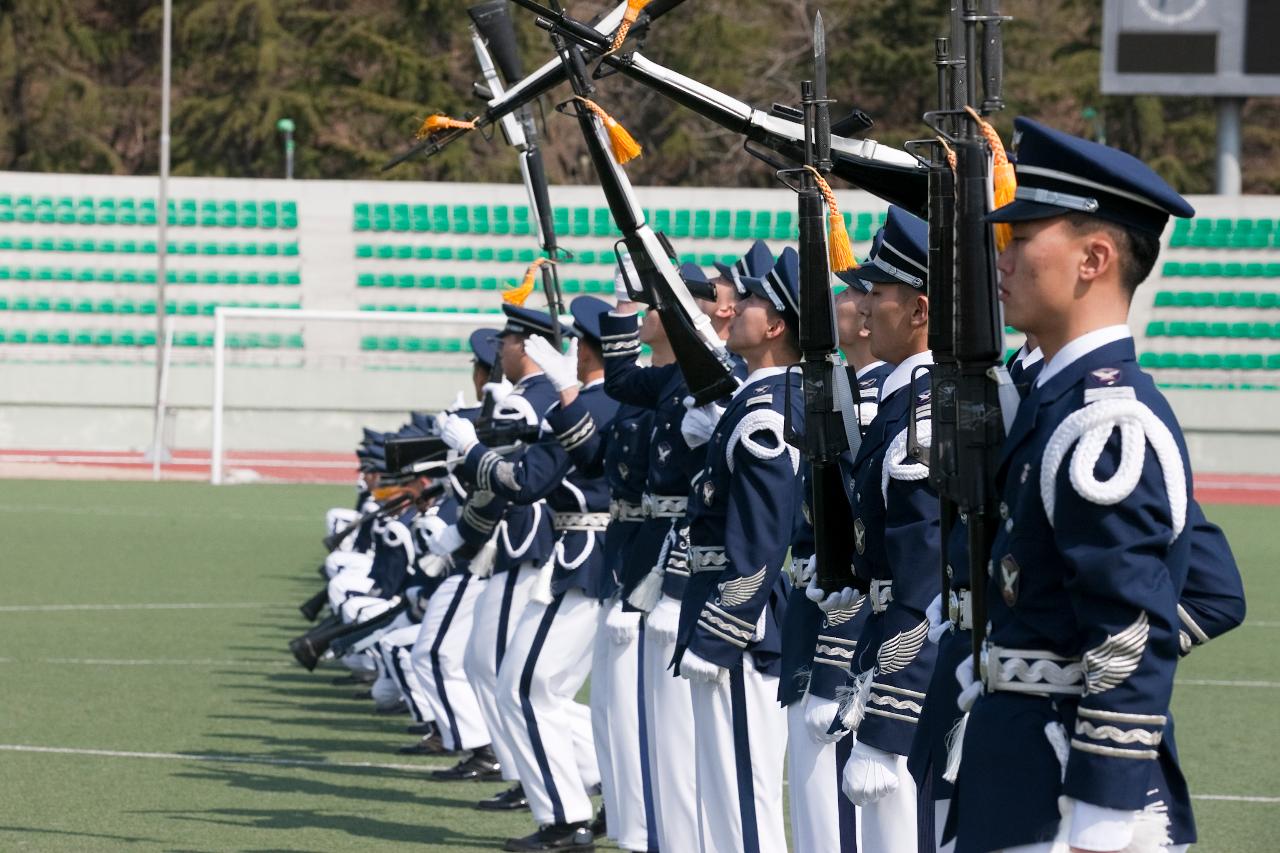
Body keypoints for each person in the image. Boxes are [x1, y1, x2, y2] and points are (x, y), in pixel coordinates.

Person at [949, 117, 1225, 853]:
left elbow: (1131, 623)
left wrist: (1102, 810)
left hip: (1065, 798)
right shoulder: (1052, 400)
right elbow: (1195, 589)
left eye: (1023, 234)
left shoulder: (1105, 424)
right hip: (1020, 767)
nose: (999, 254)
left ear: (1093, 258)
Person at [441, 296, 619, 851]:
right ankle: (599, 797)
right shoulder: (594, 400)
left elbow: (528, 480)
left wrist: (471, 452)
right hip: (581, 552)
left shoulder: (598, 402)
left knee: (525, 684)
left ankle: (568, 818)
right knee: (528, 685)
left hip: (588, 554)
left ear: (584, 350)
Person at [674, 247, 805, 853]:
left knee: (739, 792)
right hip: (723, 608)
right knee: (720, 788)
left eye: (751, 301)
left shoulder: (765, 411)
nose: (738, 310)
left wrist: (722, 631)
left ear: (776, 326)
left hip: (741, 627)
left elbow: (761, 535)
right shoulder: (754, 400)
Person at [830, 205, 940, 853]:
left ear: (921, 309)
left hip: (912, 669)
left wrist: (889, 719)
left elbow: (921, 573)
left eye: (879, 293)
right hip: (879, 643)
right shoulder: (904, 397)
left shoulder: (923, 408)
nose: (863, 307)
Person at [431, 304, 562, 808]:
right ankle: (527, 774)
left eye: (506, 341)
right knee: (489, 667)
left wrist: (466, 451)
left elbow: (508, 481)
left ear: (524, 346)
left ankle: (566, 774)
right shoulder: (534, 395)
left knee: (500, 671)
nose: (499, 351)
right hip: (515, 541)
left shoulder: (532, 398)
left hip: (525, 540)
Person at [781, 266, 894, 853]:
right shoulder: (848, 390)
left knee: (839, 817)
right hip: (816, 615)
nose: (852, 302)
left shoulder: (877, 403)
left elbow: (867, 551)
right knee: (814, 809)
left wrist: (833, 660)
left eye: (863, 292)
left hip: (849, 641)